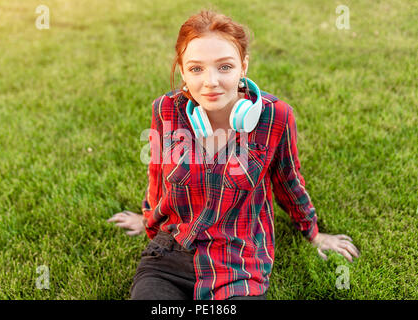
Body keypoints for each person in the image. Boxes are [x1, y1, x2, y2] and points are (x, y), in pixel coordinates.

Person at [107, 10, 360, 300]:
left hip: (239, 258)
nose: (210, 82)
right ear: (182, 71)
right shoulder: (166, 110)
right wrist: (147, 218)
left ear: (243, 66)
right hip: (170, 252)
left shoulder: (275, 117)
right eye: (196, 68)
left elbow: (288, 181)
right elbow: (157, 175)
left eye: (224, 67)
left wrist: (313, 233)